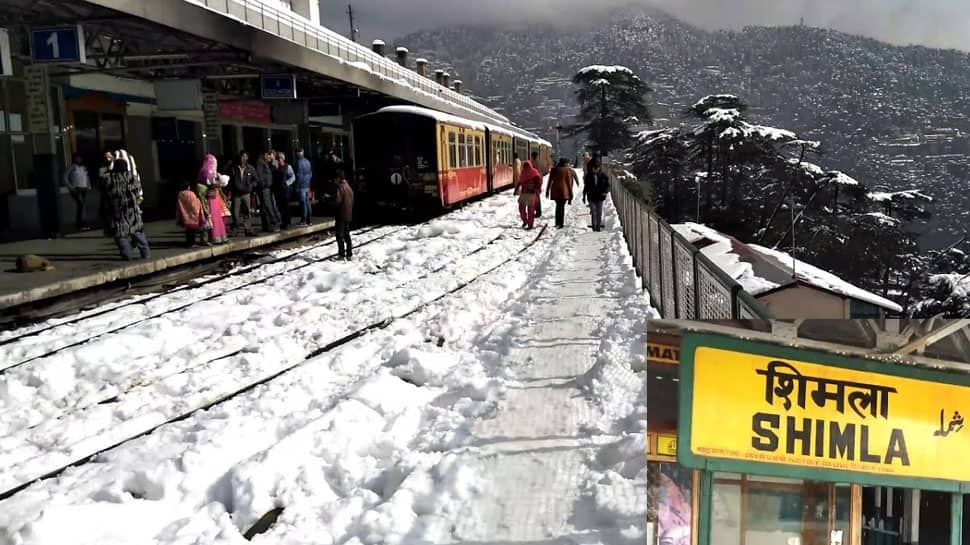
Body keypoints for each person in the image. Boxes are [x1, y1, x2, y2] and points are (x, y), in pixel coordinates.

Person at [103, 150, 150, 260]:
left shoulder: (109, 179)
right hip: (131, 208)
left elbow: (104, 192)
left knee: (120, 235)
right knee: (137, 232)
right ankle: (145, 252)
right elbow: (138, 191)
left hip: (116, 210)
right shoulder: (132, 178)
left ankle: (127, 254)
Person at [198, 154, 228, 244]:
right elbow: (209, 183)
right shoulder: (205, 171)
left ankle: (220, 236)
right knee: (212, 217)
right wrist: (219, 183)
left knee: (217, 217)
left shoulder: (211, 171)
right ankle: (214, 237)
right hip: (210, 198)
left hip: (214, 197)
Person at [230, 150, 256, 236]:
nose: (243, 158)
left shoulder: (250, 168)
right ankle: (235, 229)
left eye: (245, 156)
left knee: (247, 212)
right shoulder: (234, 168)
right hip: (236, 194)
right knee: (235, 213)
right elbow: (229, 179)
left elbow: (255, 180)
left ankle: (248, 229)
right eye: (242, 156)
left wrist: (251, 186)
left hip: (246, 193)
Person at [63, 153, 90, 231]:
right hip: (76, 188)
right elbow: (65, 178)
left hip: (84, 188)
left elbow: (87, 177)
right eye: (77, 158)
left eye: (80, 158)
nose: (79, 160)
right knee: (81, 204)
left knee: (82, 206)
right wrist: (71, 187)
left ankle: (83, 223)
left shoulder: (84, 167)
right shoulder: (71, 167)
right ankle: (80, 224)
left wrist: (88, 186)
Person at [176, 180, 207, 248]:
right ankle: (192, 243)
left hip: (185, 214)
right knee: (193, 231)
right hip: (192, 214)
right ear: (188, 187)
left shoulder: (180, 194)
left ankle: (188, 242)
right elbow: (194, 204)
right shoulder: (191, 194)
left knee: (188, 230)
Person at [256, 150, 281, 232]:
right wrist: (264, 185)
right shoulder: (261, 163)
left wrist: (273, 161)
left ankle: (267, 225)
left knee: (267, 206)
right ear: (266, 155)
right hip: (265, 188)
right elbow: (260, 176)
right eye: (270, 155)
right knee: (268, 206)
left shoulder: (266, 163)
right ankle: (273, 224)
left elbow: (274, 169)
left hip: (267, 188)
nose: (271, 157)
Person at [546, 158, 574, 229]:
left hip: (555, 191)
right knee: (562, 207)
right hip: (564, 191)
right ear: (565, 163)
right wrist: (571, 194)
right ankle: (561, 223)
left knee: (558, 206)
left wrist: (547, 191)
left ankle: (557, 222)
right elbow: (569, 183)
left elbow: (549, 181)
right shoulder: (567, 170)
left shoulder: (554, 170)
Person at [514, 160, 542, 230]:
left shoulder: (534, 173)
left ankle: (530, 224)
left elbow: (539, 183)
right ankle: (526, 221)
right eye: (525, 166)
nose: (526, 168)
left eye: (527, 166)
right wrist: (516, 190)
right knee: (522, 209)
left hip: (532, 193)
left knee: (530, 210)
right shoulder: (523, 173)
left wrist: (536, 190)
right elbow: (520, 182)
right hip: (524, 193)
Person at [583, 160, 610, 232]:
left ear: (599, 168)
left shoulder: (603, 176)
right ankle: (594, 227)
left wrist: (605, 192)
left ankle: (598, 226)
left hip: (600, 196)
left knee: (599, 212)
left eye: (597, 168)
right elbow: (586, 186)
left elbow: (607, 185)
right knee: (593, 211)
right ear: (592, 169)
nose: (595, 170)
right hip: (591, 196)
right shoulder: (588, 176)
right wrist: (584, 196)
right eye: (594, 168)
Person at [334, 170, 354, 260]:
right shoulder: (349, 187)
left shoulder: (340, 187)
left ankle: (341, 254)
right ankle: (349, 254)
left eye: (335, 178)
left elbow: (337, 201)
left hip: (341, 214)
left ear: (339, 178)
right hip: (348, 214)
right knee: (347, 234)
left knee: (339, 235)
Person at [272, 151, 295, 229]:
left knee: (286, 206)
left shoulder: (288, 166)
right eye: (277, 159)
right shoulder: (276, 167)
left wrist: (287, 183)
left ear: (283, 159)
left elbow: (293, 176)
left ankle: (287, 222)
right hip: (278, 190)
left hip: (285, 189)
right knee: (280, 207)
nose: (278, 160)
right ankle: (283, 221)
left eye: (279, 159)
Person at [294, 148, 314, 226]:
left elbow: (298, 175)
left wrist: (296, 186)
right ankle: (309, 220)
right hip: (307, 185)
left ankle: (304, 220)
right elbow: (310, 173)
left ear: (297, 154)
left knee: (303, 203)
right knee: (307, 202)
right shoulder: (307, 161)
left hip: (301, 185)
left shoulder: (298, 163)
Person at [529, 151, 543, 218]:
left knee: (536, 197)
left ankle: (538, 211)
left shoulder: (533, 163)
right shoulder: (539, 162)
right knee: (536, 197)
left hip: (535, 182)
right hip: (538, 181)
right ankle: (537, 210)